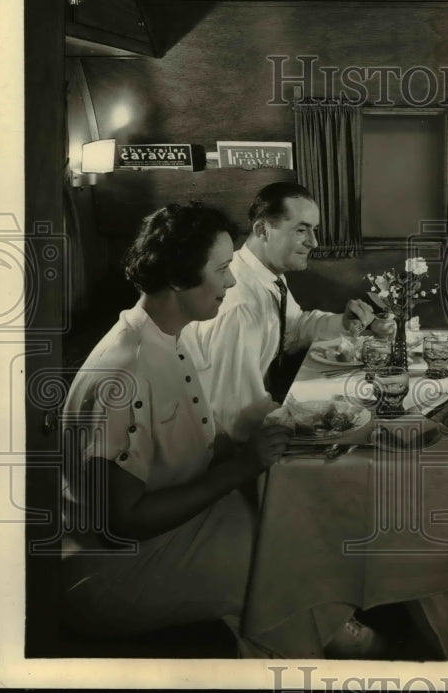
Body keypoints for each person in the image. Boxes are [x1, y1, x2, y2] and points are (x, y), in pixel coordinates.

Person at [60, 203, 288, 651]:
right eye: (222, 269)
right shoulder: (124, 372)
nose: (232, 280)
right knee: (280, 563)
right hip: (116, 569)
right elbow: (122, 523)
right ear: (181, 276)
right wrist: (242, 468)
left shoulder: (167, 334)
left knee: (288, 524)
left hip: (175, 526)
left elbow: (191, 438)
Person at [183, 182, 375, 439]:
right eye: (301, 230)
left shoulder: (266, 275)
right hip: (220, 443)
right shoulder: (240, 306)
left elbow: (292, 327)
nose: (314, 242)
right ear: (263, 230)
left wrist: (342, 321)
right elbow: (235, 412)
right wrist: (314, 416)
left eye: (314, 230)